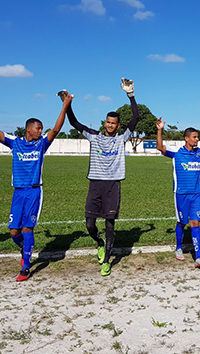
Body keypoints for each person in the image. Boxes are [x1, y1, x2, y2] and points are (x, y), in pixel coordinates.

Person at [0, 93, 71, 281]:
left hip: (34, 191)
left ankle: (26, 267)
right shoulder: (15, 143)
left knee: (28, 229)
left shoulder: (41, 144)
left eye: (41, 129)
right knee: (14, 232)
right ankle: (25, 249)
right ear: (29, 129)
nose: (40, 131)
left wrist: (65, 106)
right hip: (18, 192)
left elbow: (56, 129)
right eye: (38, 129)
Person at [65, 78, 138, 276]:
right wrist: (67, 105)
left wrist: (130, 95)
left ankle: (107, 260)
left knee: (109, 223)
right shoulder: (94, 136)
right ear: (104, 122)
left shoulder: (122, 138)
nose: (110, 125)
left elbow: (136, 118)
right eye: (108, 122)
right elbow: (73, 122)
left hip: (112, 185)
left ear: (118, 125)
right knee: (89, 223)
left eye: (114, 123)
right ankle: (99, 243)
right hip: (95, 184)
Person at [156, 118, 200, 268]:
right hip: (181, 194)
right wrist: (159, 130)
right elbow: (160, 147)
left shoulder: (199, 154)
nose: (197, 140)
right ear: (186, 138)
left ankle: (198, 257)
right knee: (182, 222)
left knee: (195, 223)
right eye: (195, 137)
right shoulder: (177, 154)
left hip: (196, 195)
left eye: (198, 137)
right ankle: (179, 247)